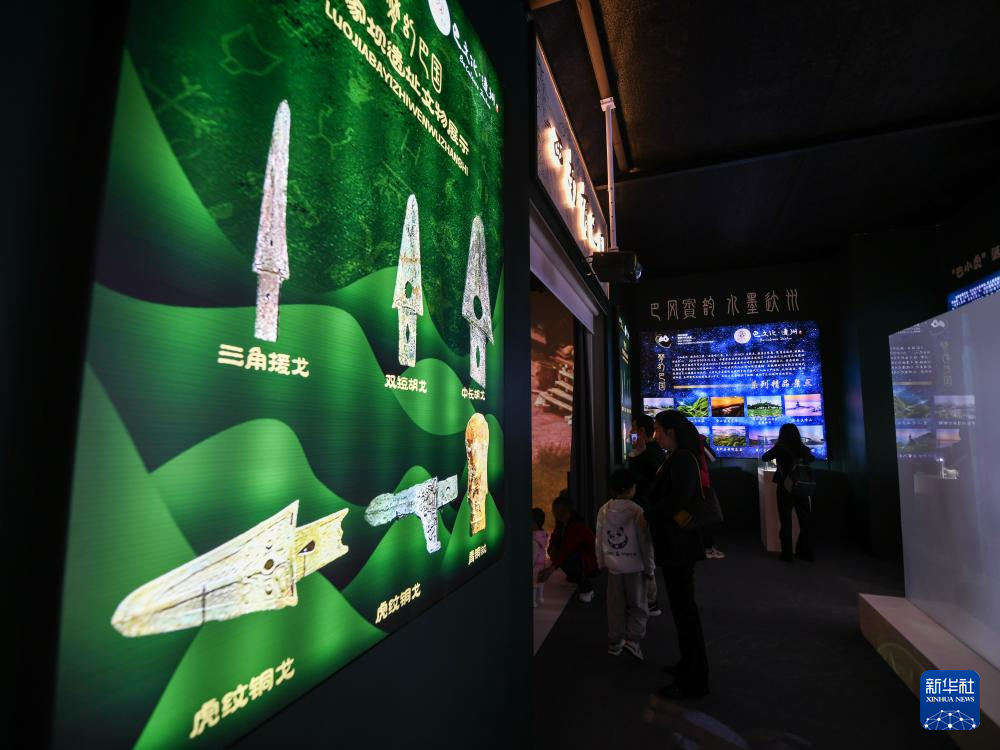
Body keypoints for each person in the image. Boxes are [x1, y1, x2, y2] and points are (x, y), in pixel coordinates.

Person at [645, 409, 710, 699]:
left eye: (657, 430)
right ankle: (688, 664)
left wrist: (649, 513)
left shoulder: (682, 458)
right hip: (677, 544)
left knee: (685, 611)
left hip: (679, 545)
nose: (655, 435)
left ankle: (695, 679)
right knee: (682, 609)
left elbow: (677, 500)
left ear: (670, 432)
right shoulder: (680, 456)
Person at [596, 468, 655, 660]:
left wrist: (601, 561)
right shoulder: (637, 511)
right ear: (631, 489)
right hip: (635, 566)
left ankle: (615, 641)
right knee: (638, 604)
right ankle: (633, 640)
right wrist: (650, 568)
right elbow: (645, 542)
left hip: (614, 565)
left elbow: (599, 539)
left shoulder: (604, 510)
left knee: (615, 604)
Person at [627, 413, 665, 616]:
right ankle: (642, 599)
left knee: (645, 556)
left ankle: (650, 601)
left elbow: (649, 479)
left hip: (645, 510)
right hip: (642, 509)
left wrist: (638, 455)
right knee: (641, 555)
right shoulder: (650, 450)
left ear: (642, 430)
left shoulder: (651, 452)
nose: (631, 431)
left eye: (634, 427)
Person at [762, 423, 815, 562]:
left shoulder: (780, 447)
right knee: (805, 521)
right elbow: (812, 459)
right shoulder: (803, 448)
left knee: (785, 521)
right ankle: (807, 553)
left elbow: (764, 457)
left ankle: (787, 554)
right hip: (802, 487)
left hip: (785, 487)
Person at [539, 493, 598, 602]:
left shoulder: (576, 526)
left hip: (589, 559)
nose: (559, 514)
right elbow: (554, 540)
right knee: (556, 552)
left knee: (568, 558)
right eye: (556, 511)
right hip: (576, 555)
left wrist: (551, 569)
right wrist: (552, 550)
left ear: (569, 510)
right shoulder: (562, 524)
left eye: (562, 511)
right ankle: (574, 576)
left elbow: (567, 549)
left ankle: (587, 588)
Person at [697, 434, 726, 560]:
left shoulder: (679, 444)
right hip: (702, 484)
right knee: (706, 517)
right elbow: (712, 457)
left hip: (688, 483)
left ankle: (700, 547)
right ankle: (708, 548)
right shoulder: (698, 440)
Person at [532, 508, 548, 607]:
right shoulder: (543, 535)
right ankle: (540, 598)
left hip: (535, 566)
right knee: (541, 582)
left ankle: (533, 601)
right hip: (542, 563)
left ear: (534, 524)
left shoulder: (534, 539)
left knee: (533, 584)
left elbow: (534, 554)